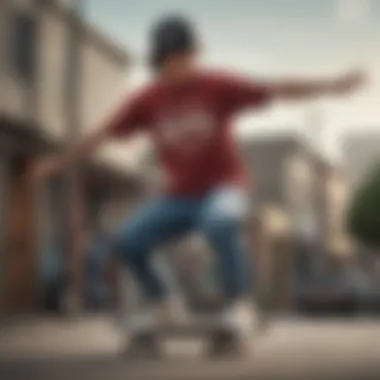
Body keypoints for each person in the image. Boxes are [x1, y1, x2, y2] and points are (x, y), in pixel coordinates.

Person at [31, 14, 365, 342]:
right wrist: (58, 162)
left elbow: (275, 88)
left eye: (189, 58)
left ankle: (239, 304)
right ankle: (165, 302)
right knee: (129, 240)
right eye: (176, 61)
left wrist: (331, 85)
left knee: (219, 221)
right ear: (161, 61)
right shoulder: (147, 101)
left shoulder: (216, 85)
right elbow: (102, 134)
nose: (185, 67)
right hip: (180, 197)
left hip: (225, 187)